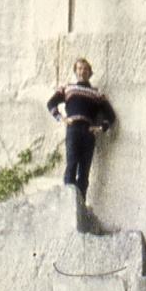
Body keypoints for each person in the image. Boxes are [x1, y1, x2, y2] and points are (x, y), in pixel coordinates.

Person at [47, 57, 116, 198]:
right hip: (73, 129)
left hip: (88, 132)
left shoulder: (97, 93)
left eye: (85, 69)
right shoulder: (68, 88)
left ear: (90, 72)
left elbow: (111, 115)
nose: (82, 72)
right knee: (71, 165)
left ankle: (81, 205)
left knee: (84, 171)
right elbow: (51, 103)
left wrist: (100, 128)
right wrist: (61, 118)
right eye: (79, 68)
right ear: (75, 71)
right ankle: (68, 202)